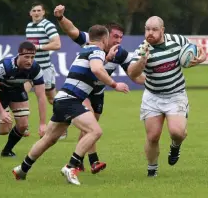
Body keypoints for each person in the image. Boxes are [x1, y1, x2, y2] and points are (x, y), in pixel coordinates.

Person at [12, 25, 130, 185]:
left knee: (49, 139)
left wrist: (107, 59)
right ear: (104, 39)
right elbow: (96, 69)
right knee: (95, 131)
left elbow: (92, 68)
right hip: (71, 100)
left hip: (61, 99)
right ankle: (71, 166)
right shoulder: (97, 52)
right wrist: (115, 85)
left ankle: (22, 169)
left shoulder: (87, 50)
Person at [52, 4, 145, 173]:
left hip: (98, 92)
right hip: (82, 89)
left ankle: (82, 161)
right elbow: (72, 31)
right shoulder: (92, 40)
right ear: (106, 35)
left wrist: (153, 79)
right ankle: (91, 161)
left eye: (121, 38)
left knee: (90, 128)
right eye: (115, 36)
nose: (118, 40)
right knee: (91, 126)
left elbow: (134, 75)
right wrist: (60, 17)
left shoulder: (120, 53)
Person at [126, 16, 207, 177]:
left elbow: (196, 49)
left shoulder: (177, 40)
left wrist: (201, 58)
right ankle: (152, 169)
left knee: (177, 132)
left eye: (154, 29)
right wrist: (142, 61)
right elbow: (132, 73)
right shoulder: (143, 49)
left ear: (162, 30)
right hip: (153, 97)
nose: (150, 33)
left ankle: (175, 146)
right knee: (153, 136)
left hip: (176, 95)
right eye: (147, 29)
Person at [0, 41, 47, 157]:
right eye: (26, 57)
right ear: (19, 55)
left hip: (16, 89)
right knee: (5, 129)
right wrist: (2, 112)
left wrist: (42, 123)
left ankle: (6, 151)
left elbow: (41, 96)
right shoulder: (4, 66)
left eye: (32, 57)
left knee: (23, 125)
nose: (29, 60)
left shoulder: (35, 69)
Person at [24, 2, 61, 138]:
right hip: (30, 68)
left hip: (44, 69)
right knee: (21, 93)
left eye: (39, 10)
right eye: (34, 10)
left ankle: (62, 123)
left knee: (51, 98)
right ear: (30, 13)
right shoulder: (29, 26)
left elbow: (57, 44)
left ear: (44, 12)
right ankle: (24, 125)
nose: (36, 13)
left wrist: (38, 47)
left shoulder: (48, 25)